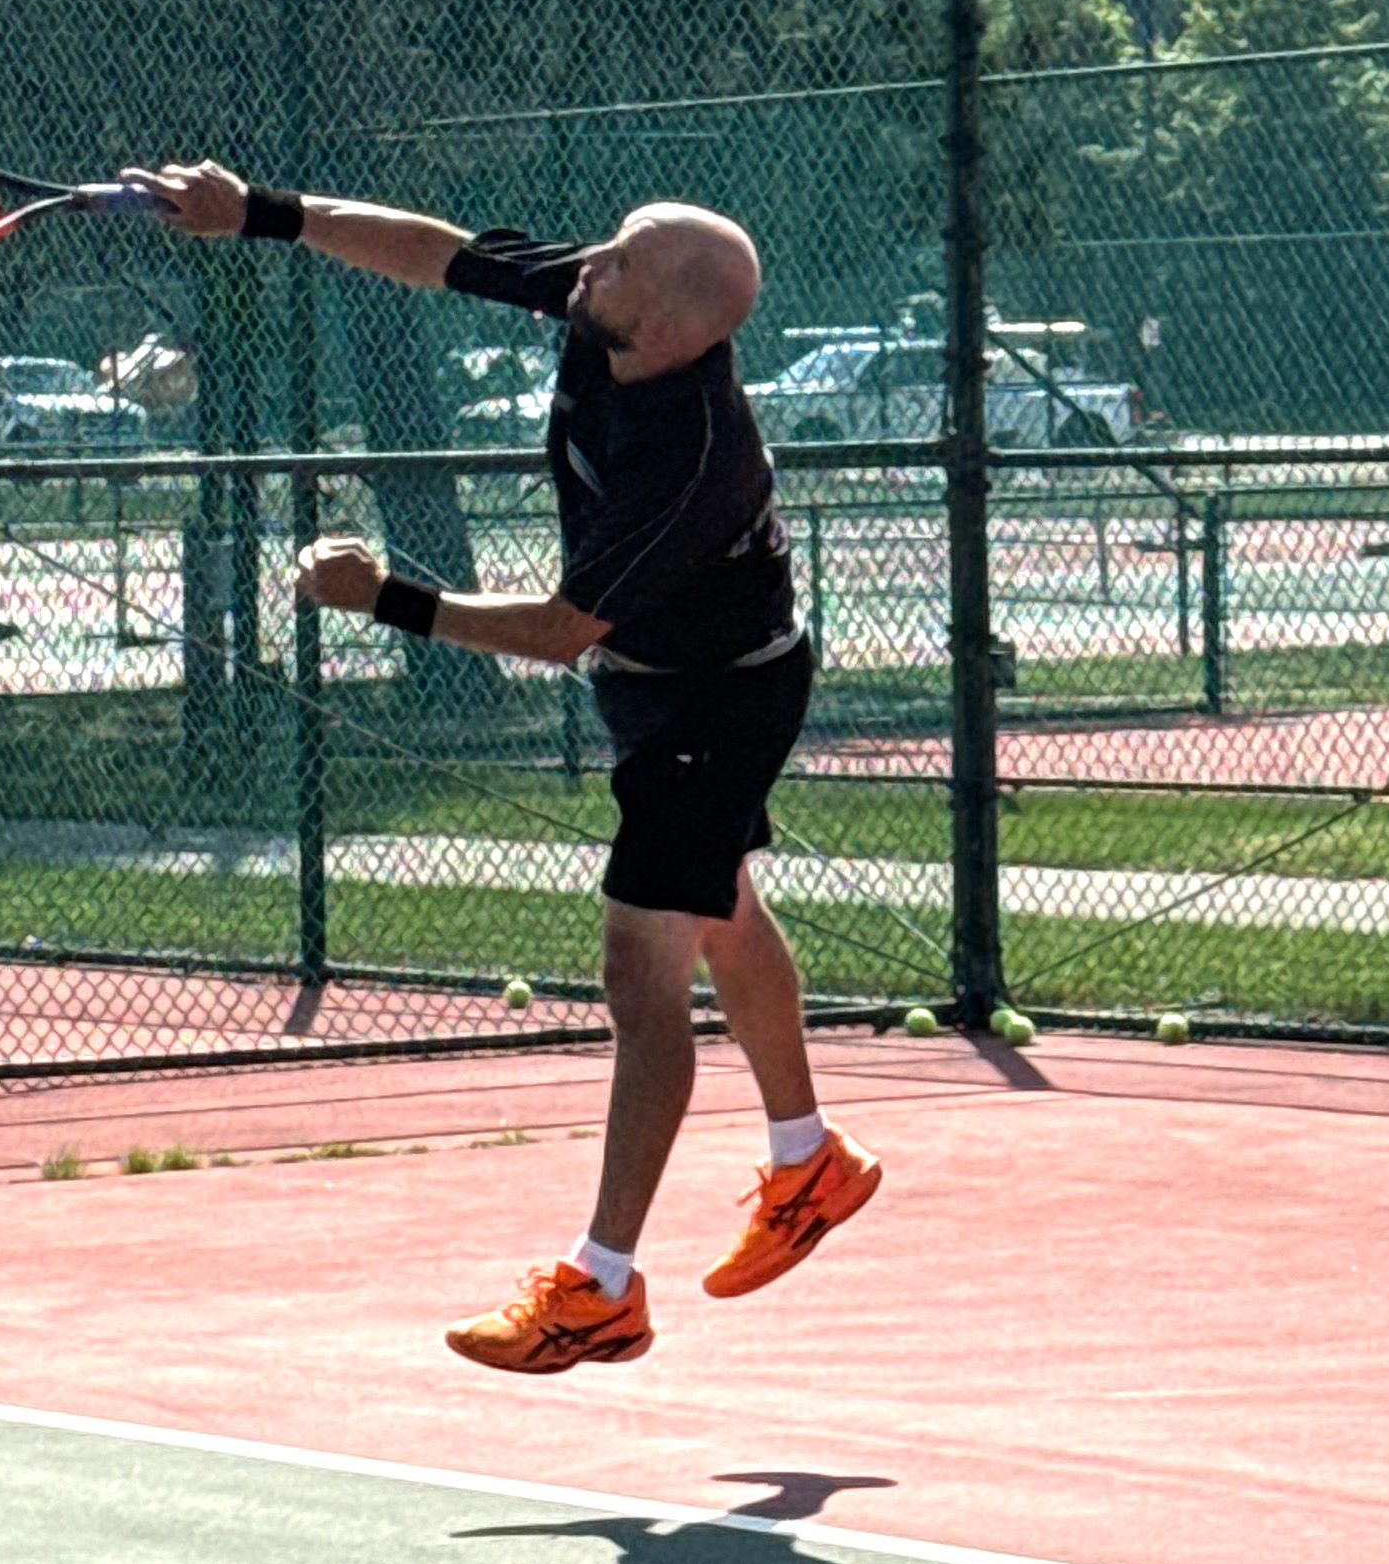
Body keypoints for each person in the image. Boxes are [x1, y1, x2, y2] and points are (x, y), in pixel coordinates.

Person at [128, 158, 881, 1373]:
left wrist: (391, 601)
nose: (594, 261)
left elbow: (556, 631)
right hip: (660, 680)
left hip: (719, 698)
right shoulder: (607, 302)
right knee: (720, 906)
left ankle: (603, 1286)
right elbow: (438, 250)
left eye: (627, 258)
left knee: (645, 968)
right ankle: (810, 1162)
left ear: (680, 326)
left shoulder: (695, 454)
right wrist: (265, 214)